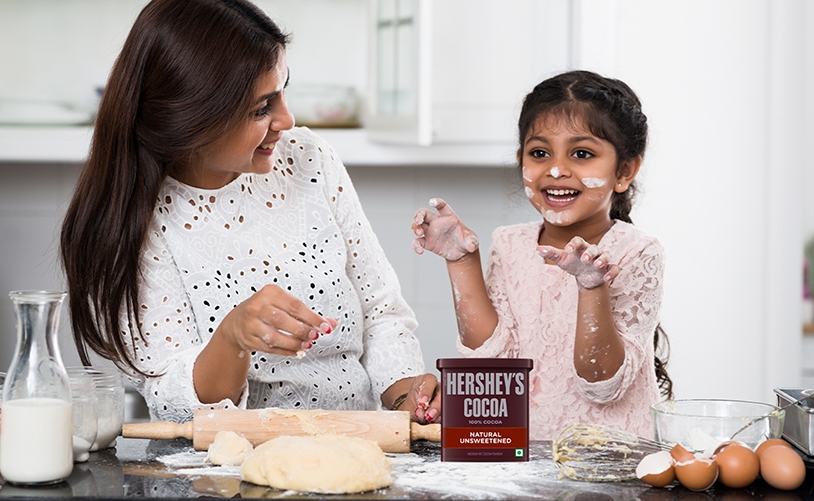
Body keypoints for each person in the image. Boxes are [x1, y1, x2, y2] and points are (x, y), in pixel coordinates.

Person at [60, 0, 439, 424]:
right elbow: (174, 404)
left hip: (354, 455)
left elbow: (380, 311)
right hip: (220, 481)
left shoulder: (310, 159)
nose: (287, 119)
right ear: (191, 120)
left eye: (283, 91)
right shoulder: (139, 224)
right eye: (262, 108)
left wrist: (408, 397)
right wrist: (234, 336)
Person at [411, 70, 672, 439]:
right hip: (523, 453)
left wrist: (591, 286)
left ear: (624, 171)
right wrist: (462, 262)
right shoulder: (510, 244)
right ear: (521, 160)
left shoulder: (635, 252)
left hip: (611, 460)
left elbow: (602, 384)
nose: (556, 169)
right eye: (539, 153)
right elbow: (491, 366)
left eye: (581, 154)